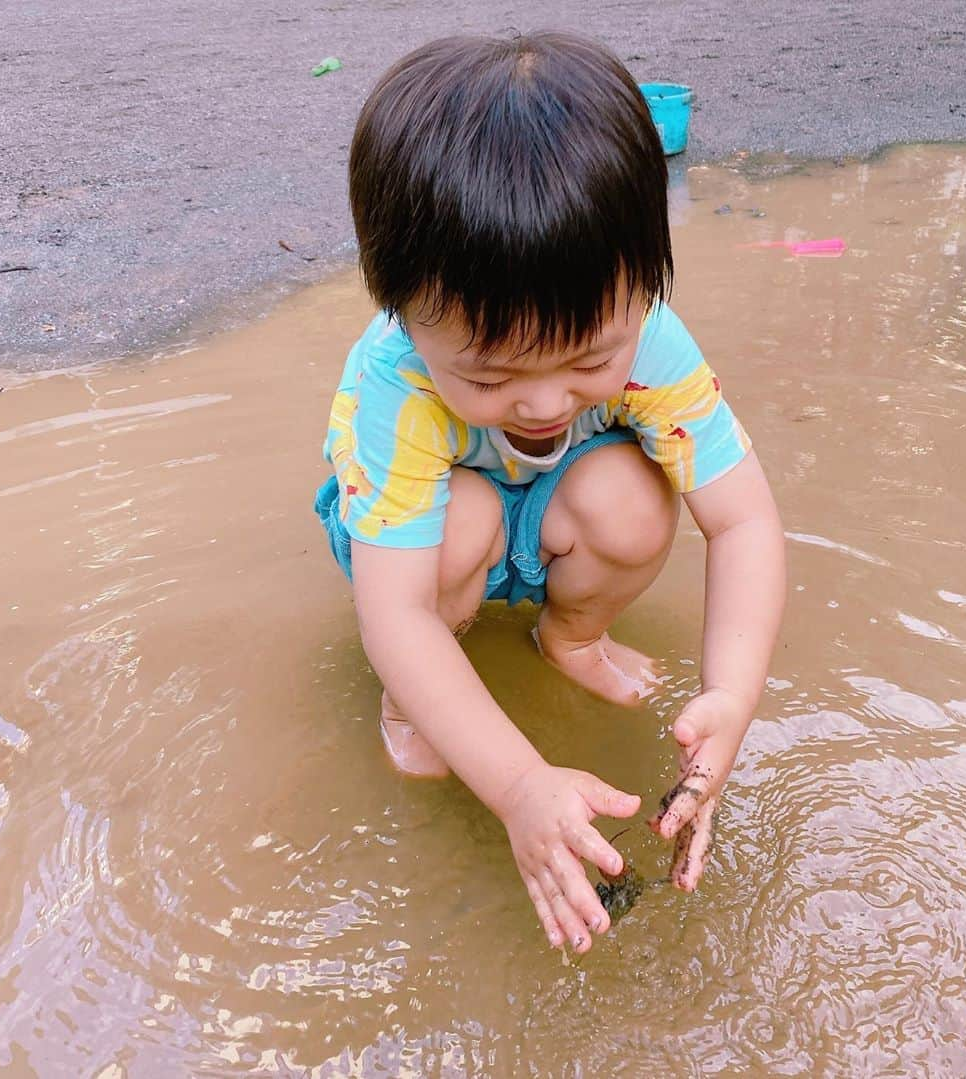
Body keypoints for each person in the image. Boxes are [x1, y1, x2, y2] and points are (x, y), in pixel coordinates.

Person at [314, 31, 786, 954]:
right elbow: (394, 611)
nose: (539, 402)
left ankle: (571, 636)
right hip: (425, 539)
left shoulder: (649, 339)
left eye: (586, 362)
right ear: (403, 310)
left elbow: (745, 521)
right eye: (488, 378)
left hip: (557, 508)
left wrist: (732, 695)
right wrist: (521, 784)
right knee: (462, 528)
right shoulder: (395, 382)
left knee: (635, 497)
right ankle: (416, 700)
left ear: (644, 285)